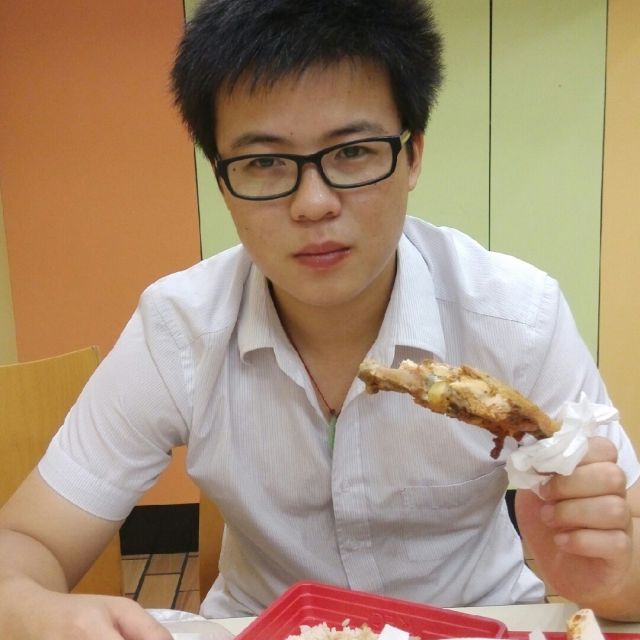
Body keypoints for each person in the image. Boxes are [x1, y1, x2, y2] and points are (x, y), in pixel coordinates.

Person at [1, 0, 639, 637]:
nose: (313, 203)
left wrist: (611, 578)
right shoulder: (179, 329)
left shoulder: (518, 317)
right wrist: (34, 612)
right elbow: (28, 541)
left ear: (413, 155)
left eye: (353, 151)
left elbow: (631, 554)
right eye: (264, 162)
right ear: (222, 181)